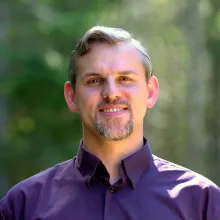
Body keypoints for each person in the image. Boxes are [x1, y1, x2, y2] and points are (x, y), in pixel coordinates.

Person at [0, 26, 220, 220]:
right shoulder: (23, 206)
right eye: (94, 81)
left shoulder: (202, 202)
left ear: (150, 92)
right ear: (71, 96)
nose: (112, 93)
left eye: (125, 79)